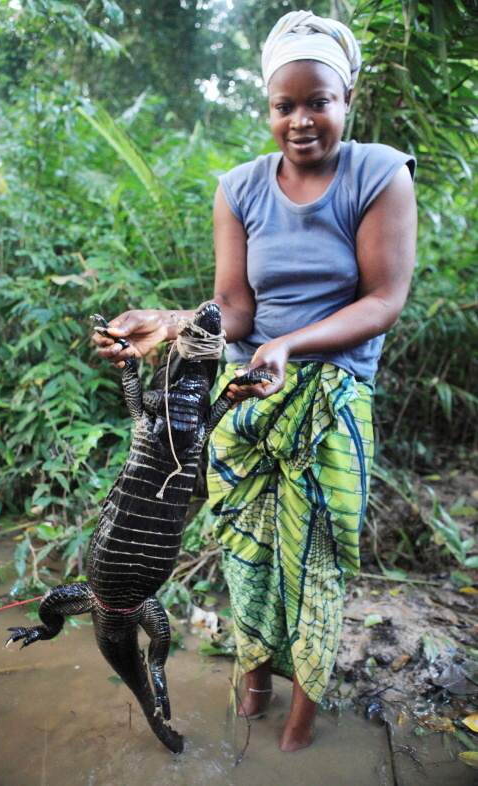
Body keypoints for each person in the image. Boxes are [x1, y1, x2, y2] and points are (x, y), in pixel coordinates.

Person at [92, 10, 417, 753]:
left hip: (329, 399)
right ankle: (255, 678)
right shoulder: (238, 187)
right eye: (284, 105)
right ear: (267, 107)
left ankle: (302, 717)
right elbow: (235, 308)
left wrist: (291, 346)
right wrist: (172, 324)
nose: (300, 120)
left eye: (318, 102)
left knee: (318, 560)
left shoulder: (378, 173)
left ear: (348, 99)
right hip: (246, 398)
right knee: (247, 552)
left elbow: (382, 300)